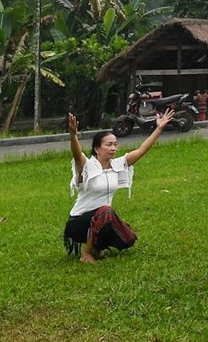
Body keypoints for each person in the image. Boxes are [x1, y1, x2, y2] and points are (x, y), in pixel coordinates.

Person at [65, 108, 173, 262]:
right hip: (79, 223)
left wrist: (159, 128)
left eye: (115, 144)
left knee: (129, 238)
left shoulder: (117, 164)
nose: (113, 148)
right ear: (97, 149)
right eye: (109, 145)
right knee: (106, 211)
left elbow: (141, 151)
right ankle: (86, 254)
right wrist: (73, 135)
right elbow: (76, 154)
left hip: (102, 218)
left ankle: (97, 246)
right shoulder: (87, 166)